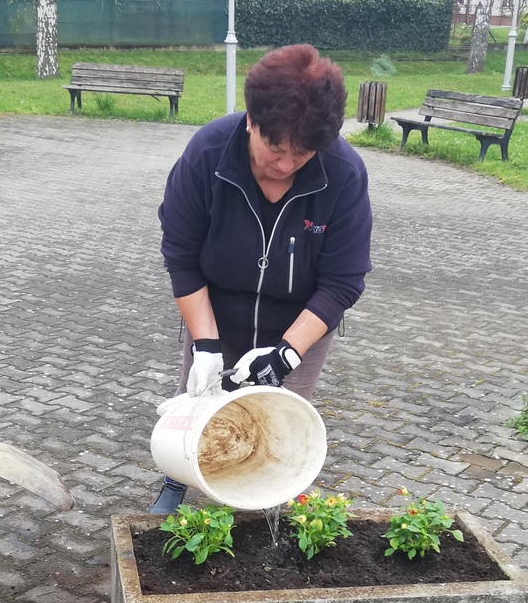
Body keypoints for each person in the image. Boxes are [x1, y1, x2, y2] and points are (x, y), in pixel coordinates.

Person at [149, 44, 373, 514]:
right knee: (198, 403)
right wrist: (205, 345)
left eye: (303, 153)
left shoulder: (344, 174)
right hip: (215, 309)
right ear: (251, 121)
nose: (287, 165)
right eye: (276, 149)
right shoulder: (207, 154)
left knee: (276, 423)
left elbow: (343, 282)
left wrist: (286, 353)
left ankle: (256, 501)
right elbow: (182, 258)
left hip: (301, 319)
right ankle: (176, 479)